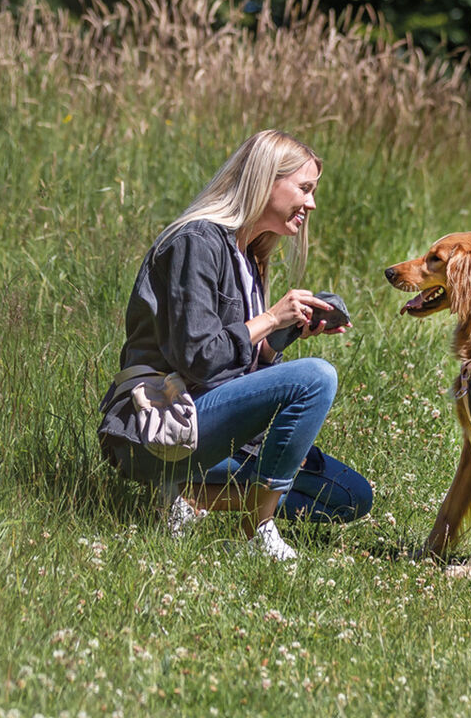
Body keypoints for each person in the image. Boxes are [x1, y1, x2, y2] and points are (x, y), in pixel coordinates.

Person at [98, 129, 372, 560]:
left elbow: (237, 369)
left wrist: (280, 335)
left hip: (212, 428)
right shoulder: (195, 242)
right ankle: (255, 530)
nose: (312, 204)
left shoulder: (250, 254)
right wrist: (269, 318)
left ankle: (192, 499)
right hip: (163, 425)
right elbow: (199, 358)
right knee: (317, 377)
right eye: (304, 188)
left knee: (350, 496)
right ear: (266, 179)